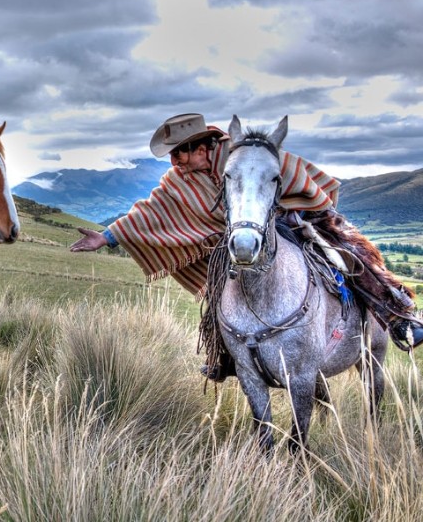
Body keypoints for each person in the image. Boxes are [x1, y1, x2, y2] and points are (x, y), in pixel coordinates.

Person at [70, 113, 423, 381]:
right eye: (172, 155)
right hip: (241, 235)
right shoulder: (181, 180)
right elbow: (152, 209)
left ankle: (397, 314)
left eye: (179, 153)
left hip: (290, 217)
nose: (174, 161)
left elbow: (296, 175)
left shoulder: (249, 155)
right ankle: (228, 356)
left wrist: (294, 213)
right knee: (220, 287)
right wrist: (107, 236)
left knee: (345, 255)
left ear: (203, 146)